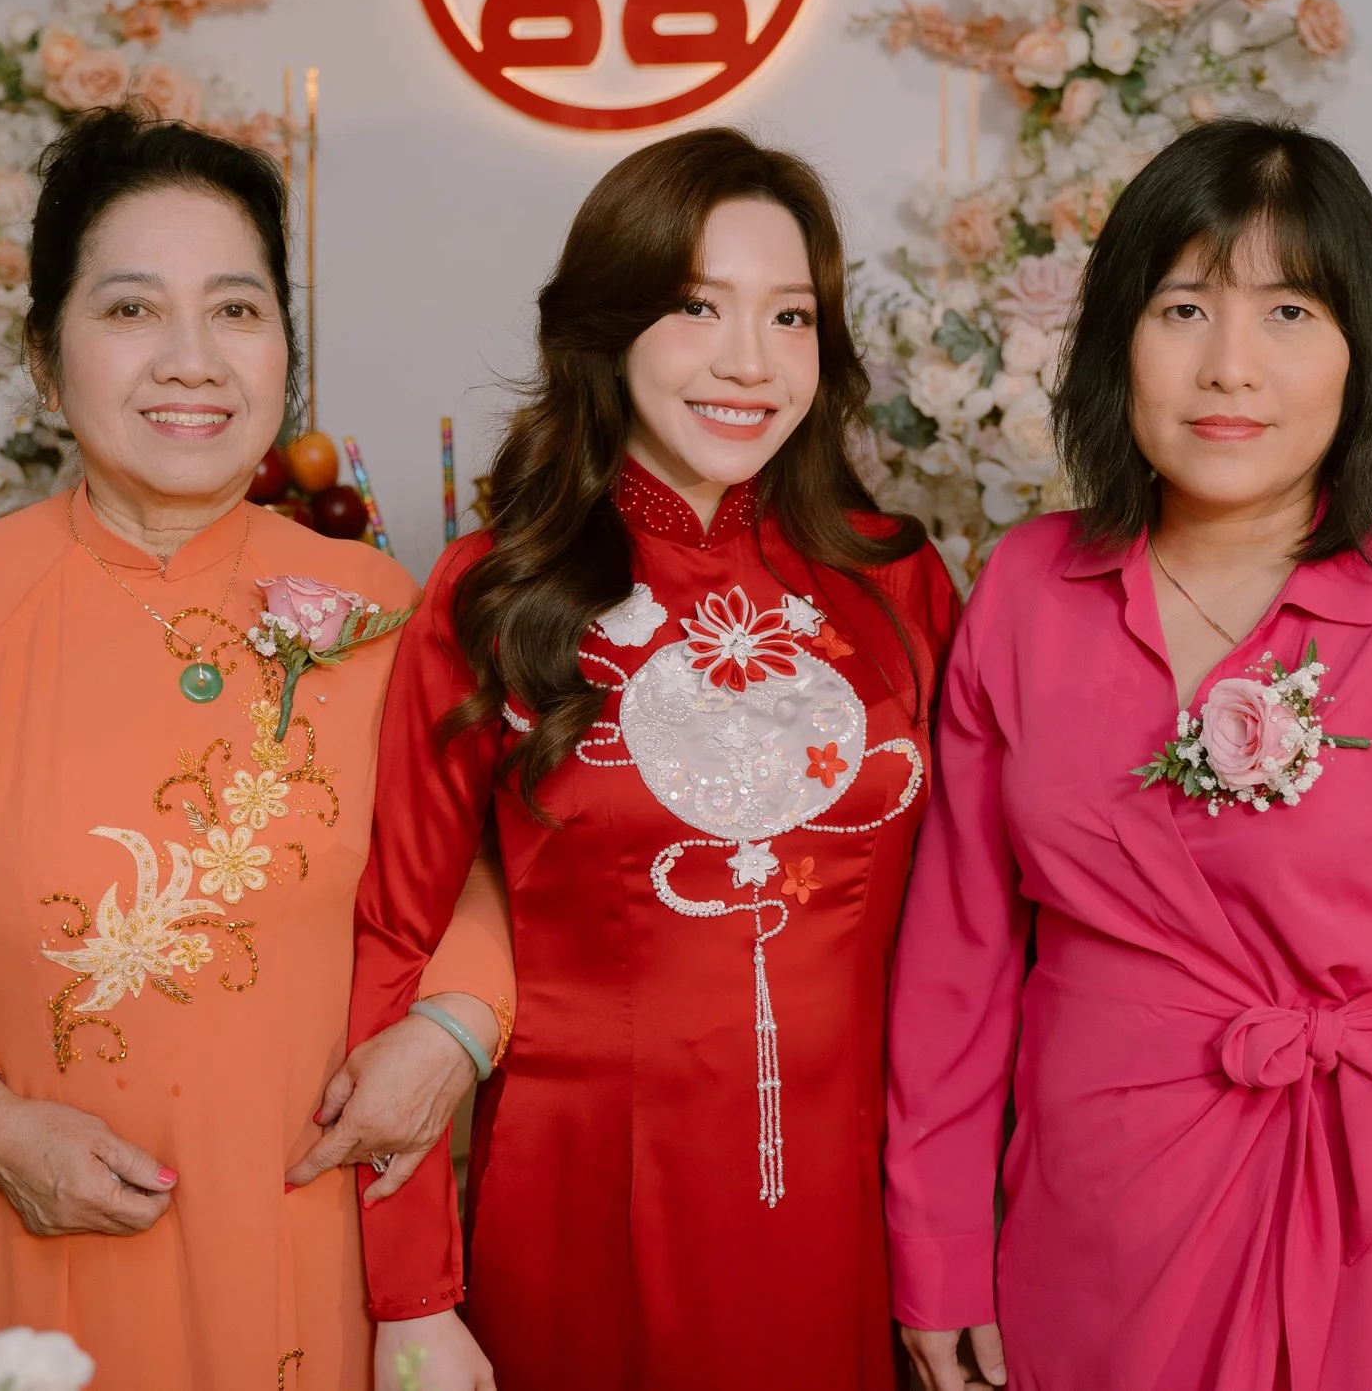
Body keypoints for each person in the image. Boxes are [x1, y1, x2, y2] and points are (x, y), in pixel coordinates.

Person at [887, 119, 1372, 1390]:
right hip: (1080, 1233)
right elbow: (957, 964)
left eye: (1289, 312)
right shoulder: (1027, 591)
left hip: (1350, 1233)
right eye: (1183, 308)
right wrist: (937, 1249)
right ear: (1118, 339)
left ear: (1360, 353)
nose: (1229, 366)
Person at [0, 107, 422, 1387]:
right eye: (129, 309)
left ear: (284, 349)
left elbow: (480, 884)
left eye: (236, 309)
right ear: (46, 361)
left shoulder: (377, 609)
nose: (192, 359)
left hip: (310, 1256)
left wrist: (449, 1032)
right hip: (29, 1263)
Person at [303, 127, 961, 1390]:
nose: (749, 360)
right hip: (583, 1201)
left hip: (850, 1209)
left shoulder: (896, 581)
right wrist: (412, 1295)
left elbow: (964, 935)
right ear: (606, 325)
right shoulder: (499, 595)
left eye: (789, 316)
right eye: (697, 306)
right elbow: (394, 937)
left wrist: (954, 1241)